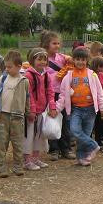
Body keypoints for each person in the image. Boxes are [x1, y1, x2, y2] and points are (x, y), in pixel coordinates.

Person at [58, 47, 103, 166]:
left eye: (83, 60)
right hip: (76, 109)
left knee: (84, 134)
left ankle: (82, 158)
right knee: (75, 130)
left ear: (87, 61)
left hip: (90, 110)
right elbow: (63, 94)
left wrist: (102, 108)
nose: (80, 62)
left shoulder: (92, 75)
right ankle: (93, 145)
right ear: (73, 60)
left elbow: (99, 92)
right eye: (78, 59)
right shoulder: (68, 76)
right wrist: (57, 108)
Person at [0, 50, 30, 178]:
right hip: (2, 116)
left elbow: (27, 98)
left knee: (18, 143)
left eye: (10, 67)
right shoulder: (2, 79)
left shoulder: (24, 81)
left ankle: (18, 166)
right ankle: (1, 167)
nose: (7, 69)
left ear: (19, 66)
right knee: (1, 142)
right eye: (6, 66)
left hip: (17, 117)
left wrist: (28, 112)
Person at [40, 30, 74, 161]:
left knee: (65, 120)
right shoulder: (42, 59)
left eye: (58, 43)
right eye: (54, 43)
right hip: (49, 93)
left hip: (62, 93)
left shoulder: (62, 58)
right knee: (51, 120)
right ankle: (54, 149)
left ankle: (65, 148)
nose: (57, 46)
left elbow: (71, 61)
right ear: (46, 44)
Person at [24, 48, 57, 170]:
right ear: (32, 60)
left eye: (44, 59)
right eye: (39, 59)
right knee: (29, 136)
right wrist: (31, 110)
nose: (42, 62)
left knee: (39, 136)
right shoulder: (29, 75)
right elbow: (29, 94)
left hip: (42, 111)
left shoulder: (46, 74)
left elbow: (50, 91)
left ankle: (36, 158)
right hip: (32, 111)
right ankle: (27, 160)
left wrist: (52, 106)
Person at [89, 56, 103, 150]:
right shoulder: (90, 75)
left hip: (102, 102)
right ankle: (89, 143)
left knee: (101, 123)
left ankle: (99, 142)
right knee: (90, 124)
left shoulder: (102, 75)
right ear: (98, 66)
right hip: (92, 104)